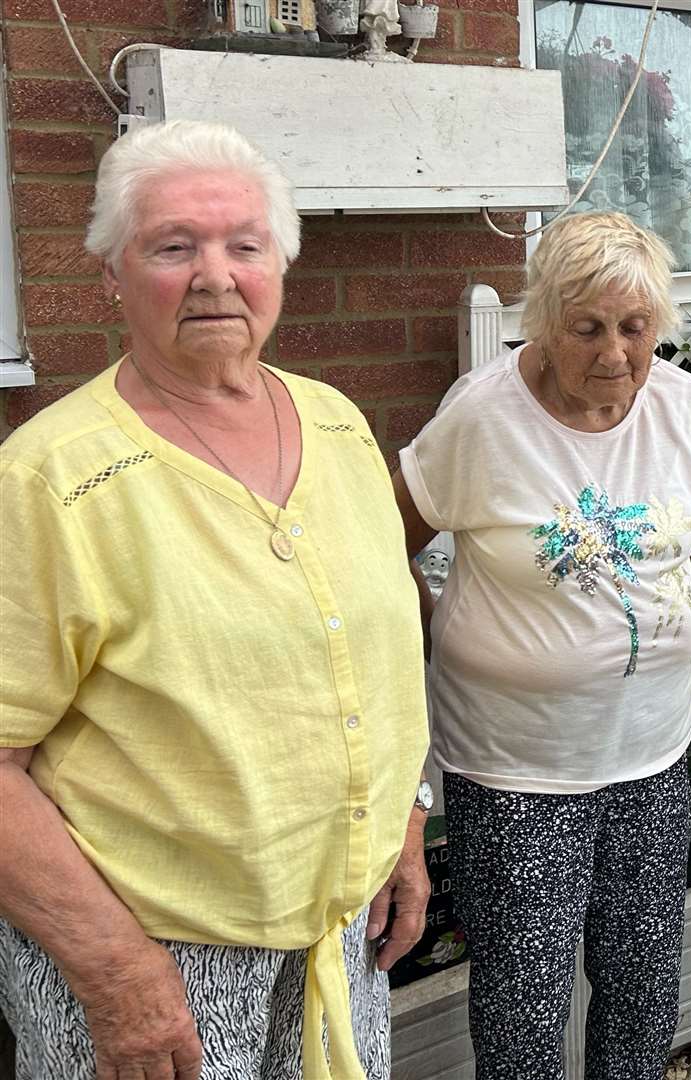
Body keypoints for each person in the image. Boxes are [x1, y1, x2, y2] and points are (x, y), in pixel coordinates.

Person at [0, 120, 430, 1080]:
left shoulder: (338, 424)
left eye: (244, 244)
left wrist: (401, 828)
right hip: (153, 962)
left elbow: (379, 661)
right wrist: (119, 975)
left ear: (279, 262)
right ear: (111, 273)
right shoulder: (50, 480)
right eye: (172, 247)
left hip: (336, 936)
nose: (214, 274)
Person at [393, 211, 691, 1080]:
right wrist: (443, 631)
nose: (614, 353)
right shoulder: (483, 417)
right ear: (543, 324)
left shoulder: (683, 408)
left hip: (651, 754)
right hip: (519, 768)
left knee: (643, 986)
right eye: (587, 328)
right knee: (524, 1000)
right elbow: (389, 538)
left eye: (634, 328)